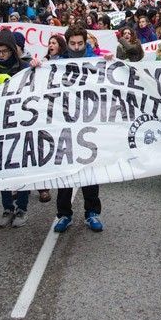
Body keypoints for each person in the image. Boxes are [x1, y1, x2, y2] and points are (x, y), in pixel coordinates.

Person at [52, 26, 104, 233]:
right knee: (65, 171)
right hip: (65, 123)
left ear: (86, 42)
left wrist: (110, 64)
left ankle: (92, 213)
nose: (76, 47)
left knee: (90, 171)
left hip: (88, 122)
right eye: (72, 44)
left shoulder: (97, 61)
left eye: (80, 44)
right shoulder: (57, 64)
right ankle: (64, 214)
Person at [0, 29, 35, 228]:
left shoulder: (24, 68)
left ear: (12, 51)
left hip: (21, 125)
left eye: (5, 51)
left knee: (21, 169)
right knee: (2, 169)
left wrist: (37, 66)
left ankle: (22, 207)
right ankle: (7, 207)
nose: (1, 55)